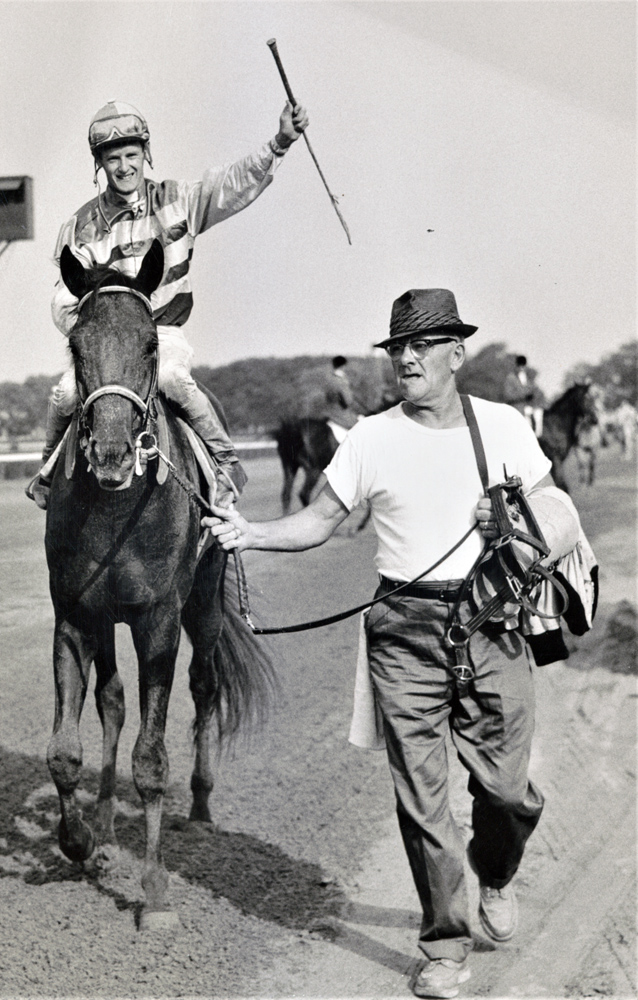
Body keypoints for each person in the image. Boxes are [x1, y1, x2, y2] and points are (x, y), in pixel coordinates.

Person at [203, 288, 582, 999]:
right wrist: (250, 534)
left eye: (420, 346)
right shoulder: (371, 437)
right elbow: (320, 520)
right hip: (402, 632)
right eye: (397, 347)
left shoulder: (501, 426)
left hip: (492, 623)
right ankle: (444, 947)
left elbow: (557, 508)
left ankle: (495, 870)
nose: (405, 358)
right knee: (422, 802)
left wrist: (515, 519)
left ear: (455, 355)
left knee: (505, 791)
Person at [27, 98, 309, 508]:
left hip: (162, 334)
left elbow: (230, 184)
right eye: (112, 159)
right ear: (99, 166)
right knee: (66, 394)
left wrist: (281, 140)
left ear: (145, 155)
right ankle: (47, 474)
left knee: (173, 379)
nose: (124, 167)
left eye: (131, 155)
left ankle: (225, 462)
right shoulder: (79, 227)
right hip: (108, 344)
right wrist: (99, 337)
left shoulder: (178, 199)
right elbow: (64, 300)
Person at [318, 355, 360, 442]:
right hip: (342, 417)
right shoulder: (341, 381)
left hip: (329, 415)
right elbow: (348, 401)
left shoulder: (329, 380)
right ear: (343, 366)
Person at [503, 355, 544, 437]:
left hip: (528, 406)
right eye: (520, 366)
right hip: (517, 407)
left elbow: (535, 391)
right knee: (527, 420)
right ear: (517, 366)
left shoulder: (528, 378)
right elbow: (508, 396)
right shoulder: (511, 378)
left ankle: (538, 437)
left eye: (523, 366)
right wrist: (524, 395)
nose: (521, 368)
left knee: (539, 412)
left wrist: (535, 396)